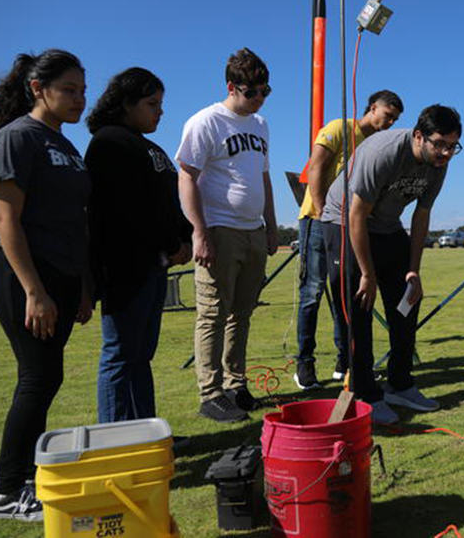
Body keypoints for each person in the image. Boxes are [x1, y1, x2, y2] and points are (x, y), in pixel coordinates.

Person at [0, 49, 93, 522]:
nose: (79, 100)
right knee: (38, 376)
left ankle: (24, 477)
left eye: (83, 91)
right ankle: (5, 493)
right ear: (37, 88)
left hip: (62, 275)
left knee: (47, 377)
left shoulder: (65, 144)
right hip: (22, 274)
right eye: (69, 90)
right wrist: (34, 290)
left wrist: (82, 285)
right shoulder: (16, 138)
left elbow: (77, 219)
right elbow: (6, 219)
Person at [321, 104, 462, 424]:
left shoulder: (440, 164)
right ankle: (366, 394)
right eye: (439, 144)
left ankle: (400, 383)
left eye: (452, 146)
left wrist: (414, 270)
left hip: (386, 227)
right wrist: (367, 274)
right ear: (418, 137)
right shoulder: (383, 152)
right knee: (359, 308)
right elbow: (355, 214)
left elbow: (421, 215)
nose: (445, 153)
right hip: (343, 224)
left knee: (407, 301)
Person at [85, 68, 193, 423]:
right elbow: (128, 208)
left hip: (154, 265)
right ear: (125, 103)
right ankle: (114, 439)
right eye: (151, 104)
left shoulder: (148, 146)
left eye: (160, 104)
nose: (159, 111)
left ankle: (146, 432)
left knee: (141, 354)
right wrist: (169, 243)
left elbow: (167, 204)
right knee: (119, 354)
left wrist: (186, 238)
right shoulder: (109, 143)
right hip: (125, 266)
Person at [176, 48, 278, 423]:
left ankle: (236, 383)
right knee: (213, 314)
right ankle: (211, 392)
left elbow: (263, 177)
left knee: (242, 313)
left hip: (253, 230)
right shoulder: (205, 122)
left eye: (266, 91)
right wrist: (199, 232)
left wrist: (270, 223)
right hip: (219, 228)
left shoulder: (261, 124)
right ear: (232, 87)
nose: (260, 99)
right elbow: (186, 175)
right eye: (253, 92)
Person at [294, 90, 403, 390]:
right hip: (320, 221)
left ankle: (346, 363)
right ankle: (305, 365)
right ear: (372, 108)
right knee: (312, 294)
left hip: (349, 225)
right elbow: (316, 168)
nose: (390, 122)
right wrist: (319, 213)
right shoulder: (339, 128)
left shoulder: (378, 144)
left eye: (394, 119)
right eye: (387, 115)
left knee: (345, 292)